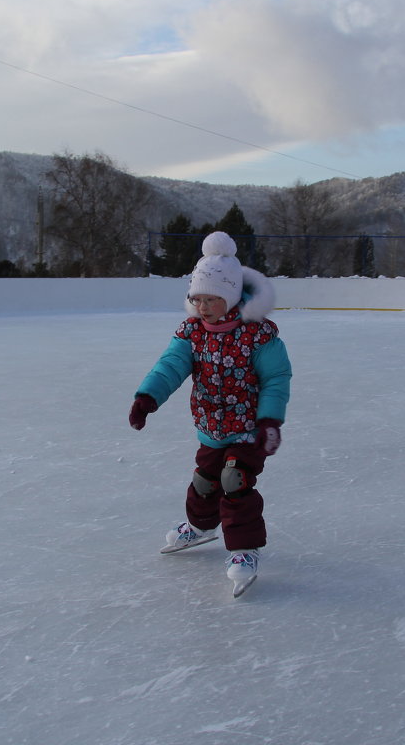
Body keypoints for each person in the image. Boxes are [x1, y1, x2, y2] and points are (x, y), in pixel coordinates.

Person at [129, 231, 291, 593]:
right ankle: (201, 526)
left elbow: (277, 378)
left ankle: (244, 550)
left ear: (231, 297)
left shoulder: (257, 335)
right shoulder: (191, 333)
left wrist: (269, 420)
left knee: (236, 481)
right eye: (196, 298)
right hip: (210, 426)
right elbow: (170, 365)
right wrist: (147, 398)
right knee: (205, 481)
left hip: (248, 428)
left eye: (212, 298)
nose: (203, 306)